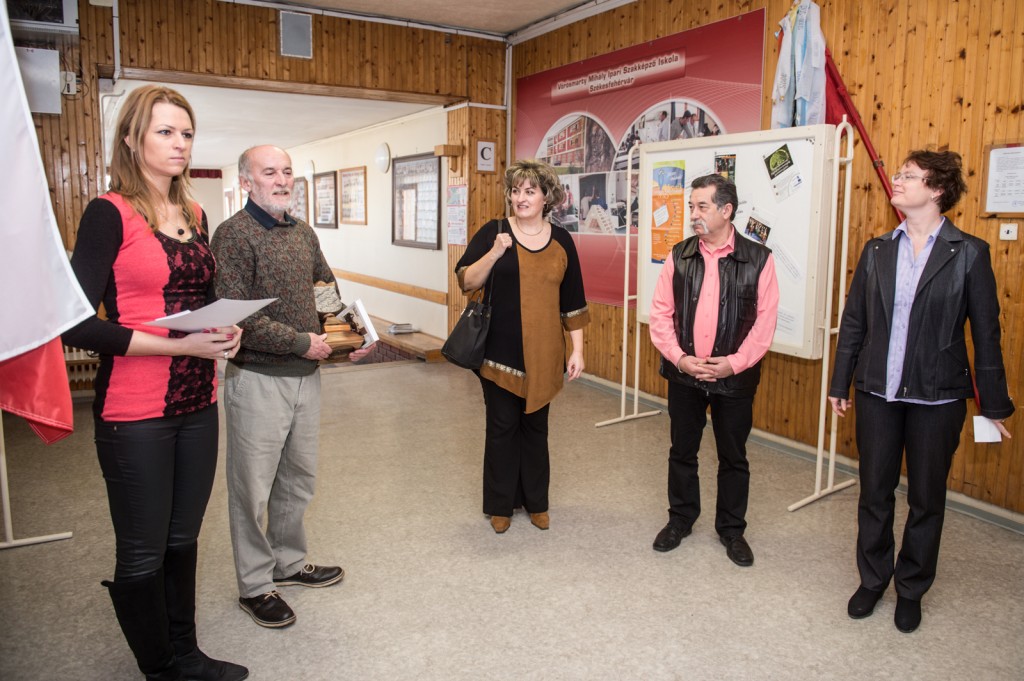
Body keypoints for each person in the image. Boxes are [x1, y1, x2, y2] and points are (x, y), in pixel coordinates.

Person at [63, 85, 247, 681]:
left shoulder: (194, 213)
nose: (179, 143)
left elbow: (203, 298)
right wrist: (180, 344)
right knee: (143, 546)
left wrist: (226, 327)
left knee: (183, 536)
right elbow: (75, 324)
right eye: (165, 132)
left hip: (198, 398)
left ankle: (186, 653)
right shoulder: (108, 212)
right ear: (131, 138)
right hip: (134, 407)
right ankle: (160, 667)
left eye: (186, 133)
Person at [828, 150, 1013, 634]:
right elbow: (854, 322)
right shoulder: (877, 250)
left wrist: (993, 404)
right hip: (877, 393)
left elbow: (986, 334)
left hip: (939, 398)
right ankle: (873, 580)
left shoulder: (969, 252)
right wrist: (840, 382)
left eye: (909, 175)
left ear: (936, 190)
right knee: (874, 492)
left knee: (927, 499)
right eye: (899, 174)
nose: (897, 180)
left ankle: (910, 588)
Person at [211, 145, 375, 629]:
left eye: (287, 171)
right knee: (252, 488)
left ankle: (288, 562)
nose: (282, 180)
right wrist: (302, 342)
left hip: (306, 378)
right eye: (270, 172)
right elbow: (236, 316)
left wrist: (351, 337)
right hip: (258, 379)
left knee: (297, 479)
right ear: (247, 183)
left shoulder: (303, 233)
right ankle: (255, 585)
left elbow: (326, 293)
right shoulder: (233, 236)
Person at [648, 174, 779, 566]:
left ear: (726, 210)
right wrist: (680, 358)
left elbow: (764, 324)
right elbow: (661, 314)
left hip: (734, 380)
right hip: (684, 375)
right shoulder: (679, 255)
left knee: (733, 457)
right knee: (682, 451)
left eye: (701, 206)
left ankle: (732, 530)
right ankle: (680, 519)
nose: (693, 214)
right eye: (692, 206)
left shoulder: (759, 259)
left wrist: (732, 364)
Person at [455, 159, 590, 534]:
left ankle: (536, 502)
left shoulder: (562, 240)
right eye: (516, 191)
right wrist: (494, 253)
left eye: (530, 191)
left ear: (547, 196)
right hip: (498, 353)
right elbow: (466, 281)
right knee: (501, 428)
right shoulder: (494, 232)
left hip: (546, 354)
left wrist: (577, 350)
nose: (521, 198)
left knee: (536, 429)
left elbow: (573, 299)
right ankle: (500, 505)